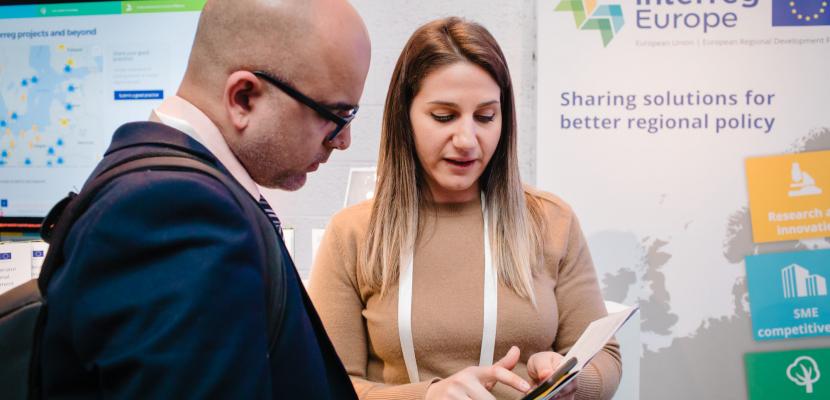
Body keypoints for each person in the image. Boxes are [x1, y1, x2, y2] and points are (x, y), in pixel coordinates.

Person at [39, 0, 370, 398]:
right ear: (244, 97)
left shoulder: (168, 187)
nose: (343, 141)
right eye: (334, 115)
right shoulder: (177, 214)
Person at [309, 17, 620, 400]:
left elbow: (605, 355)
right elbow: (326, 386)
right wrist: (426, 396)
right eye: (444, 117)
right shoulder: (354, 234)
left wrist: (571, 378)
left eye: (486, 116)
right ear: (404, 118)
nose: (467, 140)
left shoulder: (551, 222)